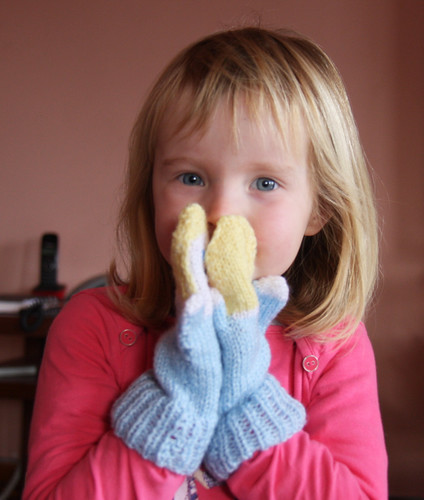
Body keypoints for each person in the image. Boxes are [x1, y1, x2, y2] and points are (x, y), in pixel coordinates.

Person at [23, 27, 387, 499]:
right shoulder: (89, 328)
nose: (221, 213)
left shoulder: (335, 346)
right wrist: (179, 402)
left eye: (265, 183)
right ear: (151, 191)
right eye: (191, 177)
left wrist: (244, 401)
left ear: (319, 208)